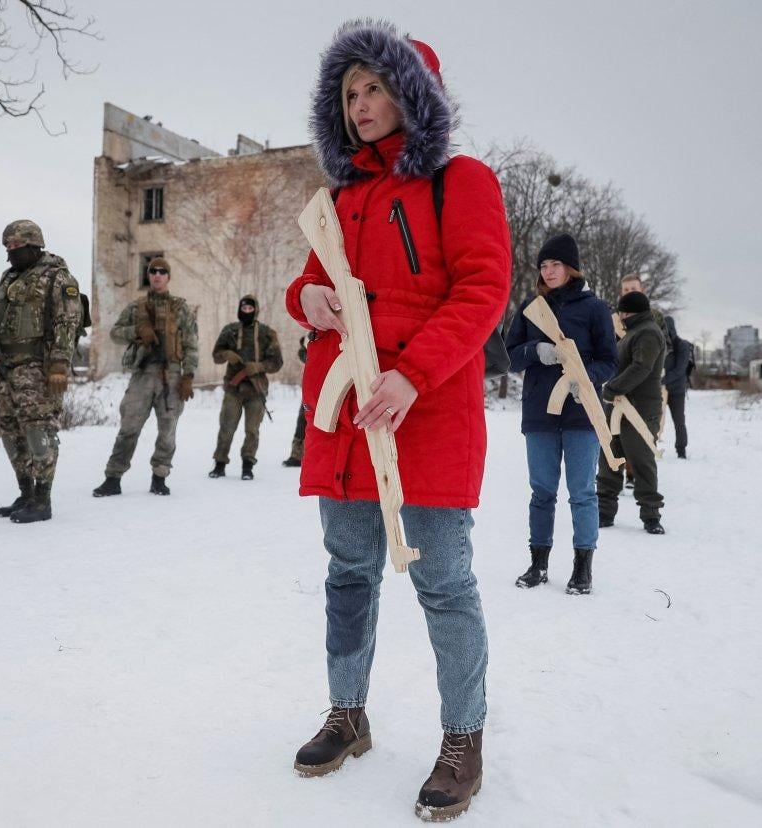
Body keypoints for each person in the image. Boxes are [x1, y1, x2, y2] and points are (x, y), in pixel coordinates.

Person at [284, 21, 510, 821]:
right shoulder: (338, 200)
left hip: (429, 412)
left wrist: (413, 374)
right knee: (348, 572)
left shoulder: (461, 182)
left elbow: (483, 290)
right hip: (345, 421)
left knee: (444, 583)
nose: (360, 103)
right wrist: (306, 298)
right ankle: (347, 714)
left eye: (376, 87)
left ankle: (463, 738)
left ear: (414, 93)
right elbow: (308, 285)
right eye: (350, 92)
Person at [505, 233, 617, 595]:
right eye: (543, 265)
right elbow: (509, 356)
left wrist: (583, 378)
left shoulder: (595, 309)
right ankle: (538, 564)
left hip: (582, 413)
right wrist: (536, 351)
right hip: (539, 413)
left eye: (556, 264)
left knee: (582, 492)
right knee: (542, 492)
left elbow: (610, 361)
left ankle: (582, 568)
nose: (549, 271)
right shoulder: (531, 307)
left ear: (571, 267)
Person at [0, 220, 82, 523]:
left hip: (38, 367)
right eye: (7, 246)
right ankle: (26, 493)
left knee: (38, 430)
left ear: (34, 244)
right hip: (6, 367)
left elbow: (66, 322)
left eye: (17, 245)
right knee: (10, 431)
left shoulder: (57, 277)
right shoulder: (9, 277)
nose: (11, 251)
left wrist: (59, 364)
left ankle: (42, 499)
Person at [93, 257, 198, 496]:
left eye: (162, 271)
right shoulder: (136, 307)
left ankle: (159, 477)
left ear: (168, 277)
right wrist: (138, 330)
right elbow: (115, 333)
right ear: (148, 276)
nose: (157, 275)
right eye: (153, 271)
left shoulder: (180, 308)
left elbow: (192, 344)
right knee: (129, 427)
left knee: (168, 430)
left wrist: (188, 376)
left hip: (171, 376)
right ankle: (113, 478)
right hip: (142, 374)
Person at [597, 291, 667, 534]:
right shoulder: (633, 332)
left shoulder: (648, 333)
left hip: (640, 410)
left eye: (622, 312)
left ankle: (651, 516)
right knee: (610, 459)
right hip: (617, 407)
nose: (620, 317)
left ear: (628, 312)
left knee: (641, 462)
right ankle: (604, 513)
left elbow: (641, 367)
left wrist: (612, 388)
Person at [209, 295, 282, 480]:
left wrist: (259, 366)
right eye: (244, 309)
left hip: (256, 389)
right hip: (233, 389)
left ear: (255, 311)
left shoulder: (266, 333)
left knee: (252, 430)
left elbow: (277, 362)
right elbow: (216, 355)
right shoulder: (230, 330)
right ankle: (219, 464)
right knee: (226, 427)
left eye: (250, 309)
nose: (247, 312)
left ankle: (247, 466)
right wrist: (227, 354)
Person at [662, 315, 693, 459]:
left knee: (679, 421)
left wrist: (662, 380)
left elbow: (680, 370)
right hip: (661, 390)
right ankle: (651, 449)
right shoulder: (661, 344)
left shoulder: (682, 345)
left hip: (677, 391)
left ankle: (681, 450)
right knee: (654, 421)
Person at [283, 335, 310, 467]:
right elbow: (303, 355)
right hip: (313, 388)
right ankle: (297, 455)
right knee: (302, 420)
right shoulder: (313, 334)